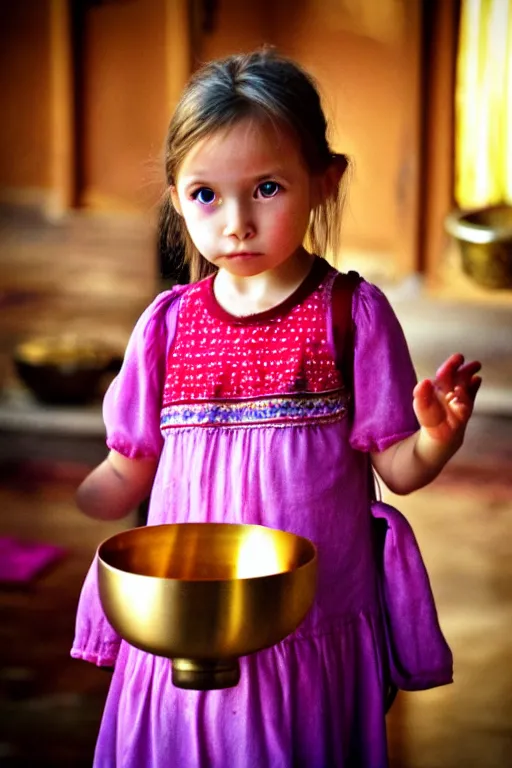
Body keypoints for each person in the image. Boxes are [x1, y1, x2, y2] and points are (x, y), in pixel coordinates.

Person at [71, 49, 482, 767]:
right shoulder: (166, 326)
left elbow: (399, 466)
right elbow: (126, 468)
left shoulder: (351, 314)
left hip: (308, 623)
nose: (236, 222)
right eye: (206, 194)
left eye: (266, 188)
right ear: (175, 196)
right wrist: (93, 497)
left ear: (325, 181)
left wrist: (436, 439)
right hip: (186, 625)